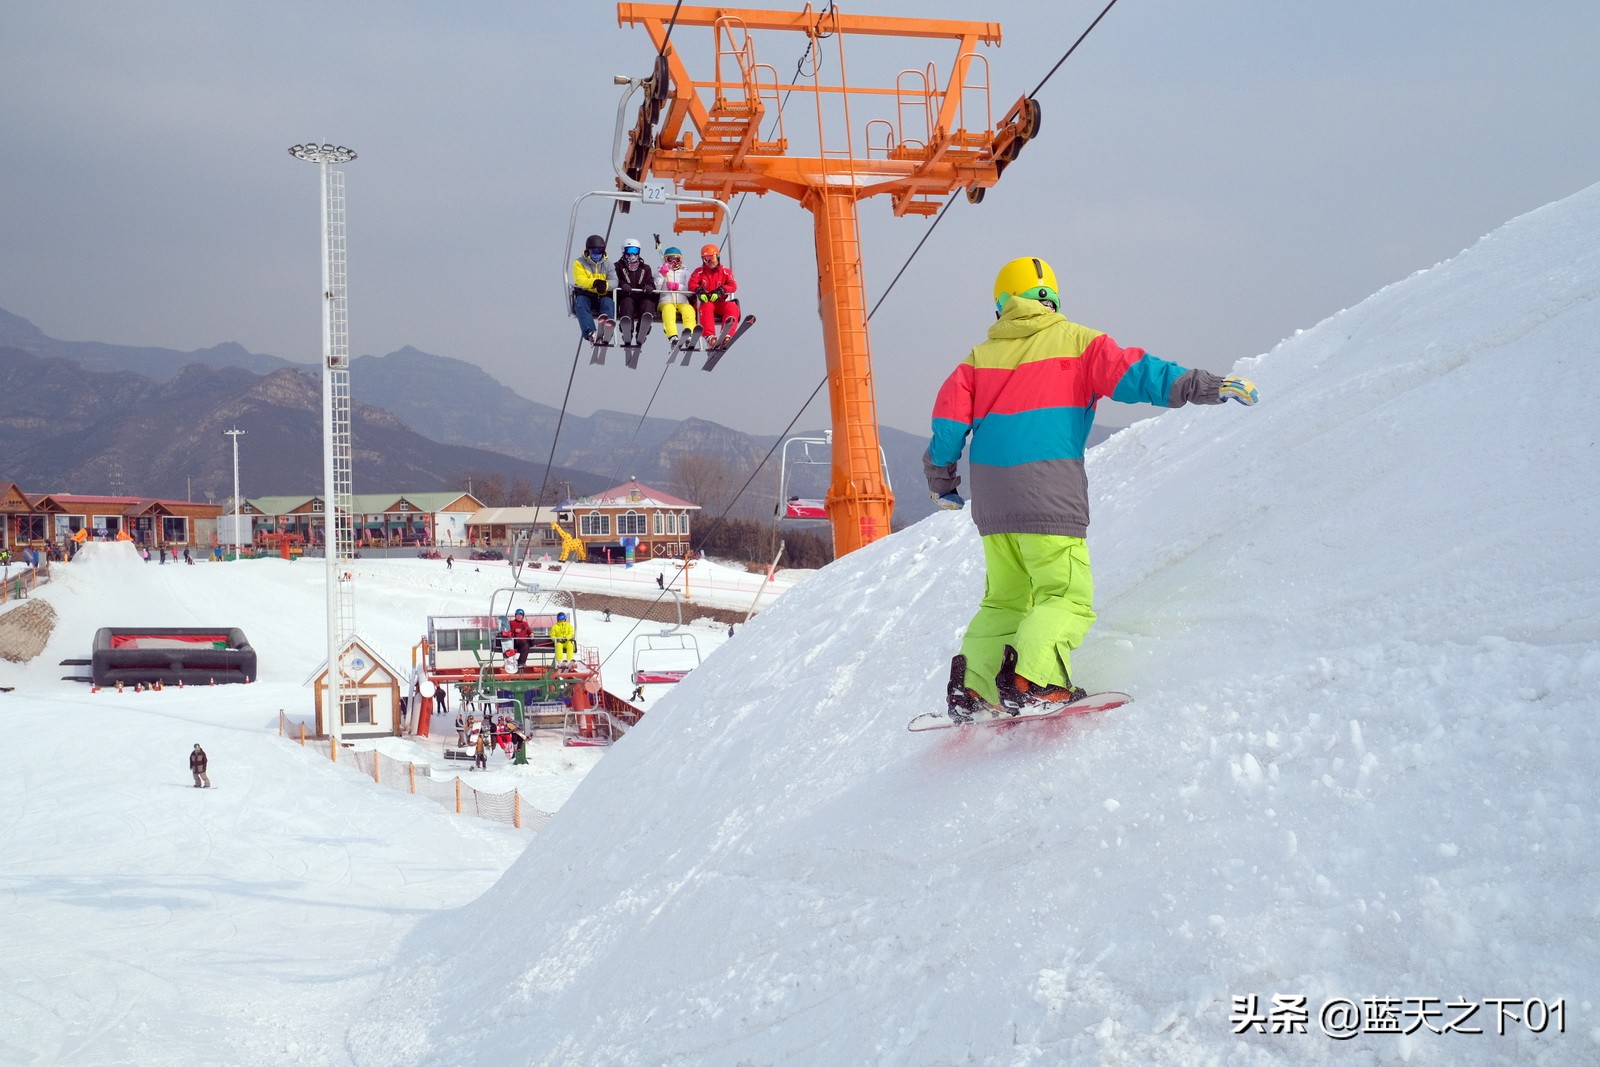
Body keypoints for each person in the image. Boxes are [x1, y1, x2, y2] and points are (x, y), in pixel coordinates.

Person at [925, 255, 1259, 721]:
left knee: (1005, 595)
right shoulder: (1079, 343)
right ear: (1052, 297)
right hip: (1046, 490)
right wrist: (1206, 386)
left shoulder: (977, 359)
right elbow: (1142, 374)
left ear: (1002, 303)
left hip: (993, 501)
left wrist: (942, 480)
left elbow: (946, 426)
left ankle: (975, 686)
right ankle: (1035, 679)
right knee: (1064, 593)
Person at [688, 243, 741, 348]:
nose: (710, 261)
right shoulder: (699, 272)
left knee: (732, 307)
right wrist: (699, 290)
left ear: (717, 257)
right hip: (705, 303)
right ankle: (710, 337)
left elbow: (733, 285)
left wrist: (722, 290)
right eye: (706, 259)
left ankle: (727, 335)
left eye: (712, 258)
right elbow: (691, 284)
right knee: (707, 306)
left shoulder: (725, 272)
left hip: (719, 302)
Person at [570, 234, 616, 344]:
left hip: (602, 295)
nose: (596, 254)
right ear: (588, 250)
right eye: (593, 251)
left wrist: (605, 286)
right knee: (580, 304)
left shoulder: (608, 264)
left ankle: (607, 329)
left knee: (608, 303)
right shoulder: (579, 263)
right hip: (586, 294)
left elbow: (614, 280)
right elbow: (580, 279)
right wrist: (594, 283)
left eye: (599, 251)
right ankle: (590, 332)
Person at [614, 237, 657, 347]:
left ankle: (643, 329)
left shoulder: (645, 268)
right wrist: (622, 285)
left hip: (641, 297)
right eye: (629, 251)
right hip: (626, 296)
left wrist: (648, 287)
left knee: (648, 303)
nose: (632, 255)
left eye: (635, 251)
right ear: (624, 251)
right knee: (627, 302)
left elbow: (650, 282)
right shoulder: (618, 266)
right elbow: (614, 280)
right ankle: (627, 328)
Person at [655, 246, 694, 343]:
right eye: (670, 259)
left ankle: (690, 333)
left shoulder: (685, 272)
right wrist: (662, 274)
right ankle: (672, 335)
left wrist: (677, 287)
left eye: (676, 259)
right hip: (666, 301)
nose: (673, 262)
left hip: (683, 301)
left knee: (689, 311)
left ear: (680, 260)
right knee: (669, 311)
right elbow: (656, 288)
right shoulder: (661, 271)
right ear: (665, 260)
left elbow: (690, 291)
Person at [506, 608, 533, 673]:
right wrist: (514, 631)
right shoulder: (511, 623)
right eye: (517, 615)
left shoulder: (525, 623)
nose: (519, 616)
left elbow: (528, 631)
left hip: (523, 642)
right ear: (515, 616)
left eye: (521, 615)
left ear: (523, 616)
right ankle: (518, 662)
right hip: (514, 640)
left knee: (526, 646)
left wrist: (531, 633)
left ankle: (521, 662)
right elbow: (506, 631)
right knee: (525, 645)